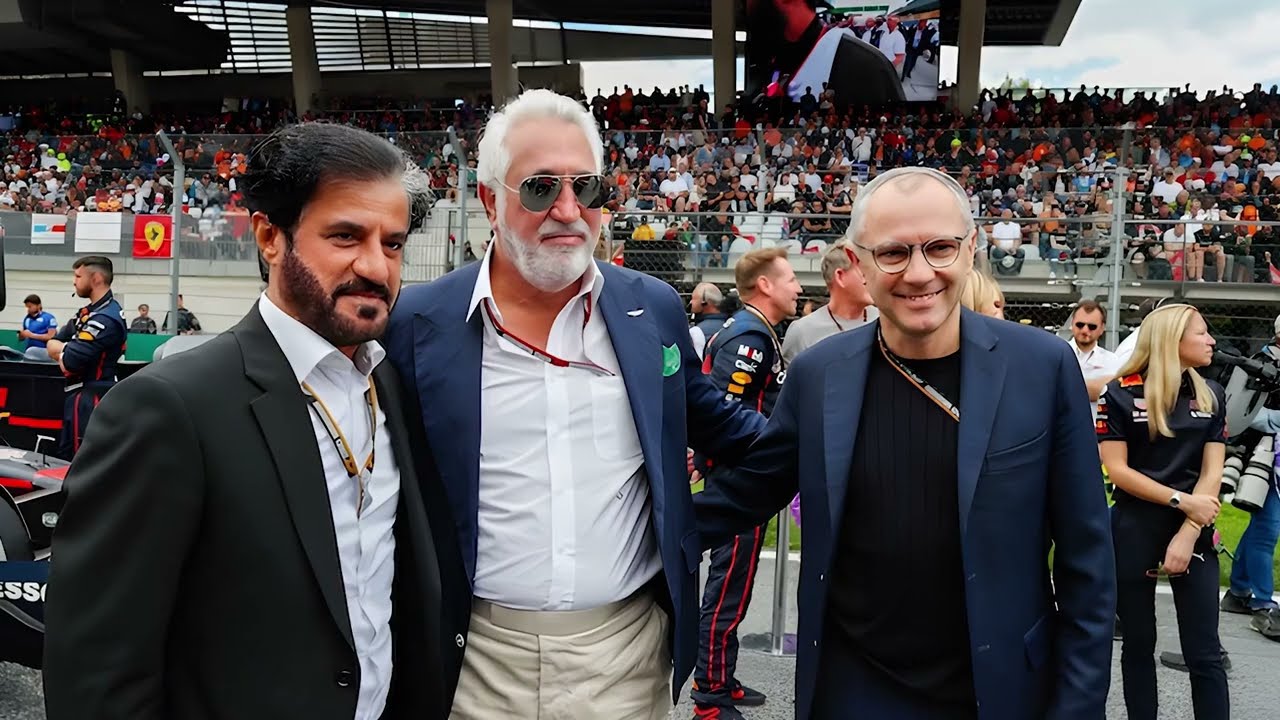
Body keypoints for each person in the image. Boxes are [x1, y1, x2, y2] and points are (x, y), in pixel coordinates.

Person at [43, 122, 450, 720]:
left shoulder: (390, 382)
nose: (376, 266)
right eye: (345, 236)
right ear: (269, 237)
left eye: (392, 244)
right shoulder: (167, 408)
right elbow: (97, 669)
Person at [381, 88, 766, 719]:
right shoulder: (415, 322)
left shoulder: (652, 309)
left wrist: (687, 526)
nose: (567, 210)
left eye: (586, 187)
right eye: (539, 188)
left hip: (625, 658)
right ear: (490, 201)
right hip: (472, 661)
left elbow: (727, 431)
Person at [693, 166, 1116, 719]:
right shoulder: (819, 374)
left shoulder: (1042, 367)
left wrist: (1078, 708)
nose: (919, 274)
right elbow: (745, 492)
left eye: (940, 248)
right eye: (893, 253)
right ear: (859, 263)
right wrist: (620, 539)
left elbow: (1088, 561)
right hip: (851, 692)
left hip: (999, 690)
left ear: (970, 249)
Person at [1097, 303, 1229, 720]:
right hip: (1133, 527)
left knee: (1204, 652)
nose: (1211, 341)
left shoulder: (1212, 394)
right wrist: (1181, 500)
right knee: (1138, 643)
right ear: (1173, 339)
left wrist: (1188, 531)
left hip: (1193, 528)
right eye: (1202, 333)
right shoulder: (1119, 392)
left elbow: (1212, 473)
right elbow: (1117, 469)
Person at [691, 247, 800, 718]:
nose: (798, 287)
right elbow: (722, 409)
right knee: (728, 590)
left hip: (741, 474)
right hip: (741, 480)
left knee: (735, 585)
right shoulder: (750, 336)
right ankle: (710, 694)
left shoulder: (752, 329)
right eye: (790, 278)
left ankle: (723, 676)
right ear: (765, 285)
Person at [44, 256, 126, 460]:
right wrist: (64, 348)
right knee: (65, 457)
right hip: (79, 396)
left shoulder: (105, 318)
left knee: (81, 460)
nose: (74, 281)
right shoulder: (89, 313)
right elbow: (54, 341)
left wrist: (61, 350)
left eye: (78, 276)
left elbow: (71, 362)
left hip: (93, 400)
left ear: (96, 278)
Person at [781, 241, 878, 364]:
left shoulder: (888, 322)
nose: (873, 279)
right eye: (864, 272)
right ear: (840, 276)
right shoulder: (803, 331)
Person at [1068, 299, 1122, 420]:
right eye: (1080, 325)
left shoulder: (1112, 361)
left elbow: (1116, 395)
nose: (1085, 330)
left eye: (1092, 326)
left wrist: (1067, 388)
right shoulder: (1057, 354)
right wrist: (1099, 386)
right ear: (1072, 323)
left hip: (1098, 426)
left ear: (1102, 328)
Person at [688, 281, 730, 360]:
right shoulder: (731, 325)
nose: (691, 302)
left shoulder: (696, 332)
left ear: (704, 302)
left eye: (693, 298)